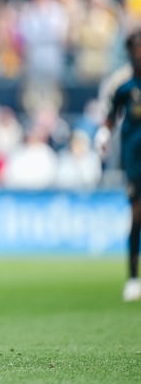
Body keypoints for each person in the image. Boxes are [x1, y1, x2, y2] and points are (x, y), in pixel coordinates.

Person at [95, 29, 141, 302]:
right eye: (136, 48)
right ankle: (133, 277)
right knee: (137, 215)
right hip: (135, 158)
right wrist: (103, 134)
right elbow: (111, 116)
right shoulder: (124, 87)